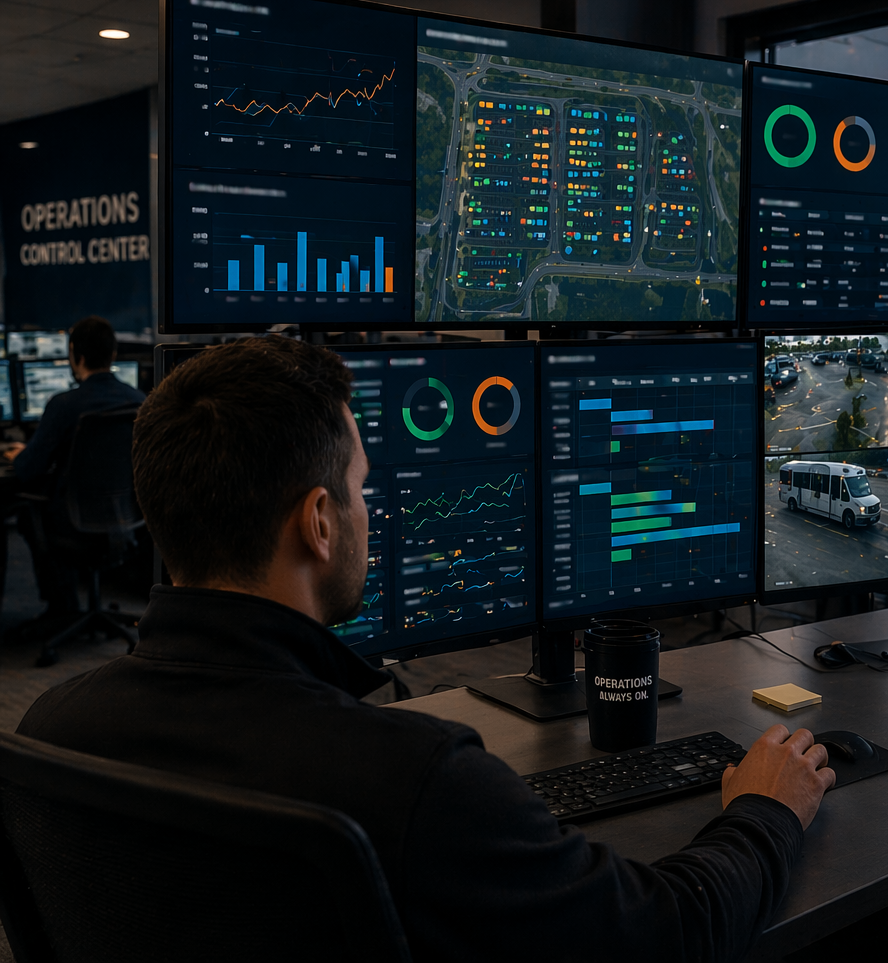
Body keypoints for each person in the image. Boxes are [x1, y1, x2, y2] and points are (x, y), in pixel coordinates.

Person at [18, 336, 834, 962]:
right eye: (362, 488)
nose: (370, 512)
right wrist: (765, 809)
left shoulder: (50, 728)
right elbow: (670, 935)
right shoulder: (414, 778)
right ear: (320, 521)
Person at [4, 316, 145, 621]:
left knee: (29, 511)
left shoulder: (64, 405)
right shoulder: (139, 401)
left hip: (74, 526)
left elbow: (29, 470)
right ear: (113, 355)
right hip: (127, 521)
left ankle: (62, 607)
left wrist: (18, 454)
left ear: (75, 357)